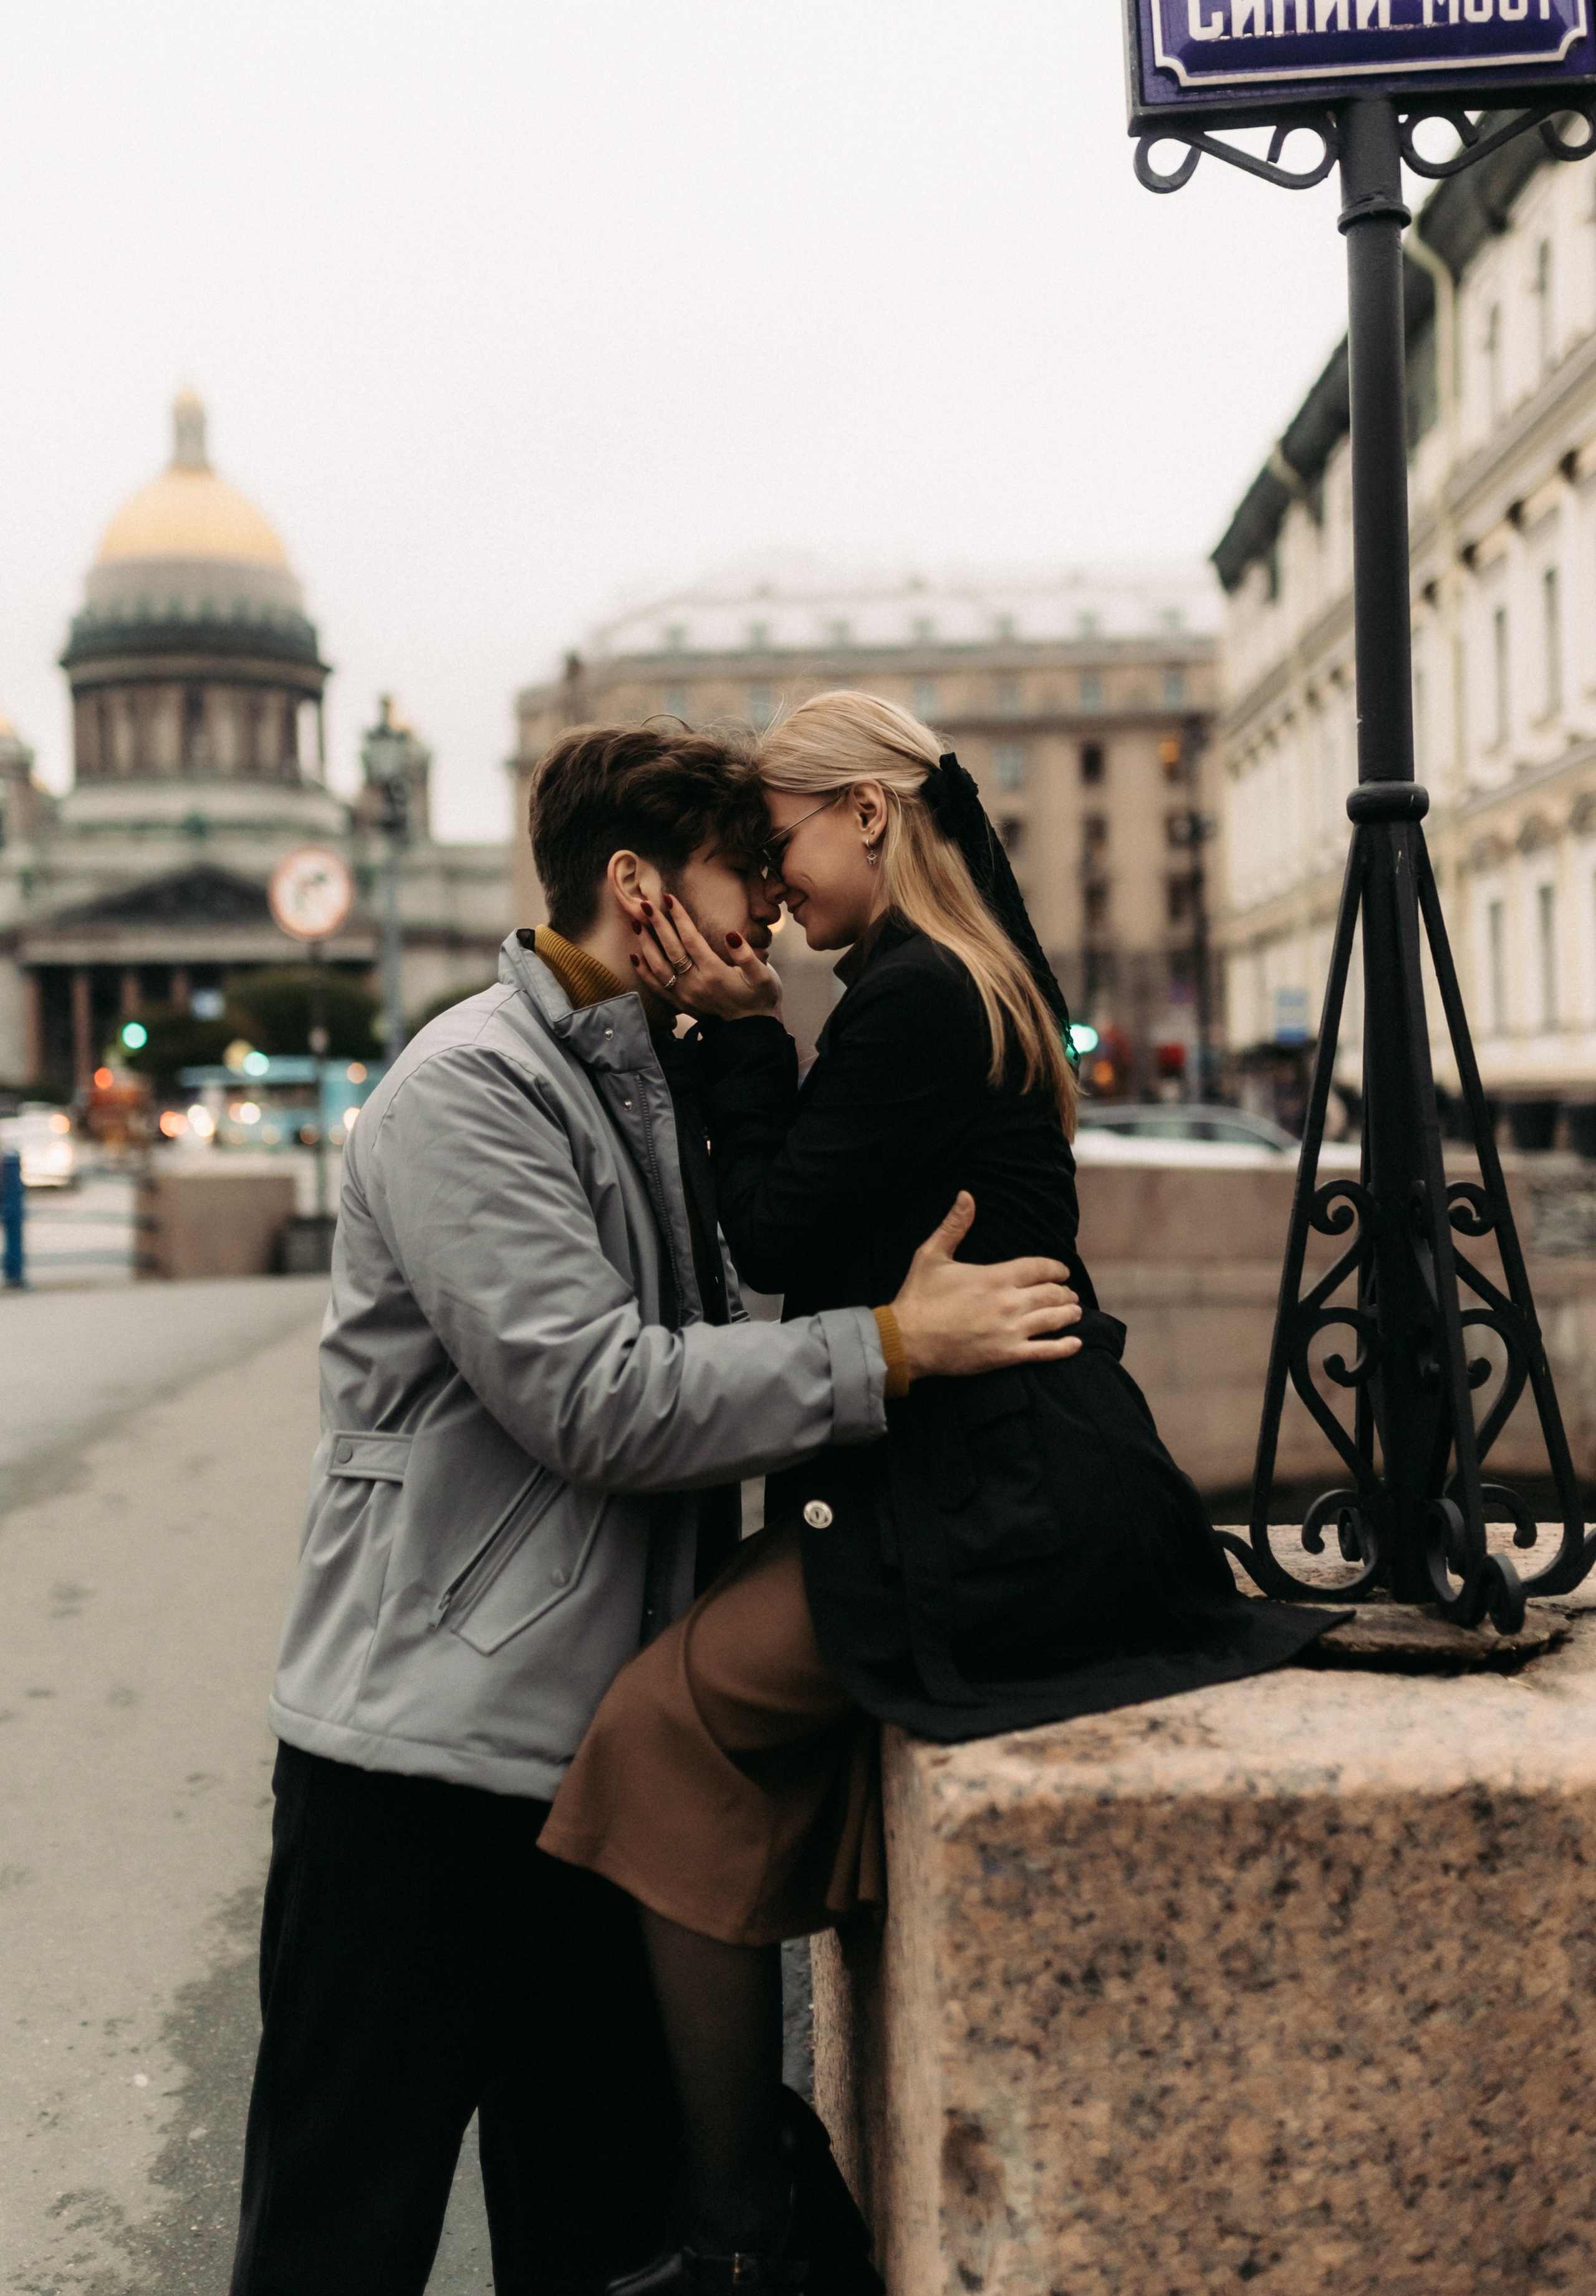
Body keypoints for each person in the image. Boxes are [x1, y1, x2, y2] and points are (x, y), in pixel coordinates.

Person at [228, 718, 1085, 2296]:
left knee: (602, 2248)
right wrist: (897, 1348)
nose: (763, 905)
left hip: (586, 1772)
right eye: (736, 875)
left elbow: (758, 1272)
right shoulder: (468, 1088)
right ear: (635, 884)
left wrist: (749, 1050)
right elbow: (602, 1399)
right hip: (417, 1773)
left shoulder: (640, 1076)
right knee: (337, 2243)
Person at [539, 690, 1348, 2296]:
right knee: (724, 1729)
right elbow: (834, 1245)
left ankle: (741, 2230)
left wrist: (749, 1030)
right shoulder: (965, 971)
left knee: (651, 1736)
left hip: (993, 1493)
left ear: (865, 811)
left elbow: (774, 1241)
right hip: (1014, 1470)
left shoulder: (906, 998)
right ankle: (741, 2203)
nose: (769, 893)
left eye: (778, 848)